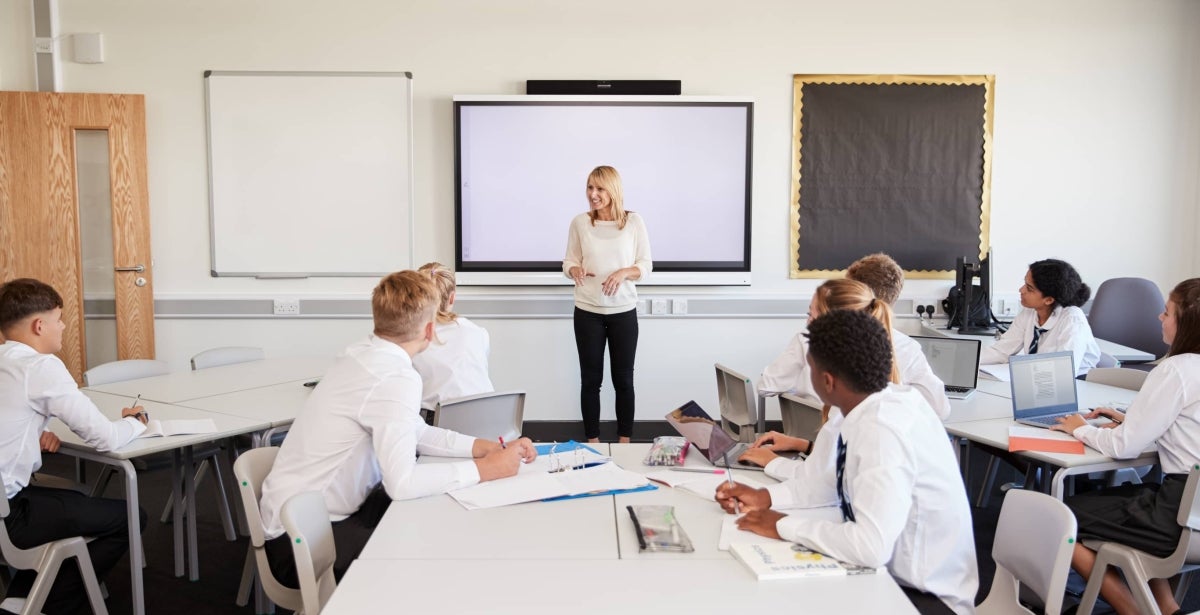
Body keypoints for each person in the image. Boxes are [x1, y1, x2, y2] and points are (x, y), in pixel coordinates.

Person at [259, 270, 536, 586]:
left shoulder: (362, 354)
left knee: (435, 516)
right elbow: (401, 484)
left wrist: (480, 448)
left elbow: (414, 430)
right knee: (433, 554)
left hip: (302, 519)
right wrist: (486, 469)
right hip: (304, 543)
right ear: (430, 330)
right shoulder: (395, 377)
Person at [717, 309, 978, 615]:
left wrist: (782, 525)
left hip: (922, 597)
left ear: (826, 381)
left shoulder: (883, 429)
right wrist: (766, 498)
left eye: (809, 368)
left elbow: (870, 548)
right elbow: (828, 485)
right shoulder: (871, 403)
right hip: (893, 574)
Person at [1050, 278, 1200, 615]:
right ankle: (1166, 607)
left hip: (1179, 520)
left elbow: (1124, 447)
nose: (1160, 318)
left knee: (1062, 516)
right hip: (1193, 509)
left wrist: (1082, 429)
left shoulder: (1176, 370)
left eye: (1167, 312)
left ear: (1187, 322)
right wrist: (1132, 418)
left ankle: (1131, 609)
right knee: (1137, 495)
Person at [0, 278, 148, 615]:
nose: (63, 326)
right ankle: (50, 604)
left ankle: (22, 598)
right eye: (59, 319)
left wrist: (42, 425)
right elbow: (105, 438)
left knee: (77, 501)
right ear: (40, 326)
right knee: (129, 515)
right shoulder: (41, 367)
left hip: (9, 502)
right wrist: (136, 422)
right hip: (8, 516)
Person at [744, 277, 948, 473]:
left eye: (812, 317)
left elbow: (828, 485)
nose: (806, 326)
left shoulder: (876, 417)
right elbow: (834, 467)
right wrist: (803, 445)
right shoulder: (854, 398)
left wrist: (773, 463)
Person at [563, 165, 652, 443]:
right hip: (587, 312)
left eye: (600, 188)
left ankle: (625, 442)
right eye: (590, 187)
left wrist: (624, 272)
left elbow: (645, 265)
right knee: (590, 381)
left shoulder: (634, 222)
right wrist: (574, 270)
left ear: (613, 190)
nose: (593, 194)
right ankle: (593, 442)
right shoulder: (580, 222)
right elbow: (569, 261)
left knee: (624, 381)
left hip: (623, 314)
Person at [981, 258, 1100, 377]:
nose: (1021, 290)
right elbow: (1002, 351)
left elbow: (1064, 371)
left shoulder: (1072, 320)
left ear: (1049, 300)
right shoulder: (1029, 312)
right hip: (1039, 379)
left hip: (1077, 382)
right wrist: (968, 359)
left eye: (1029, 288)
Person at [411, 262, 494, 410]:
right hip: (487, 420)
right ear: (452, 298)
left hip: (437, 424)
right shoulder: (479, 333)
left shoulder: (410, 339)